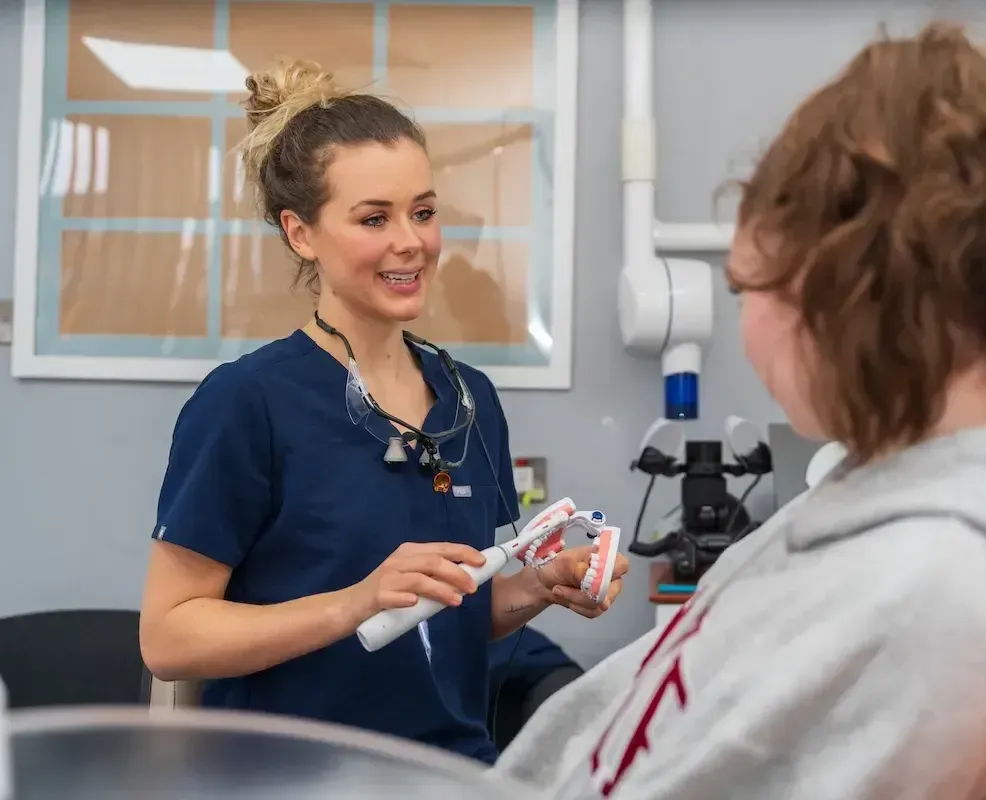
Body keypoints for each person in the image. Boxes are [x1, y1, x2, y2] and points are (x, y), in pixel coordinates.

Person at [492, 23, 986, 799]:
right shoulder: (877, 507)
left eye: (746, 290)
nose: (745, 328)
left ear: (842, 289)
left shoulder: (939, 603)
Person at [138, 59, 627, 765]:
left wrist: (537, 587)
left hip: (448, 770)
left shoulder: (469, 400)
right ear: (301, 233)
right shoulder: (247, 402)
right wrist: (355, 603)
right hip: (289, 777)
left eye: (423, 213)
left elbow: (448, 612)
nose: (411, 242)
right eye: (374, 218)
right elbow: (169, 638)